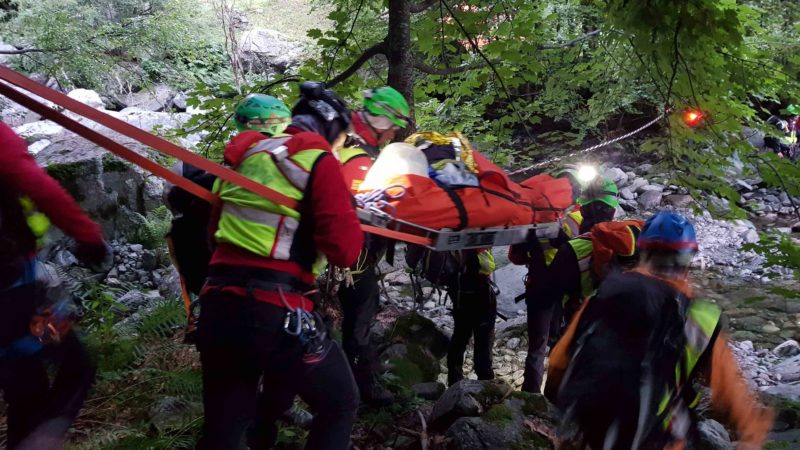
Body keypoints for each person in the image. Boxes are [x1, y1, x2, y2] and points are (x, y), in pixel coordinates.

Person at [194, 83, 364, 450]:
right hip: (274, 312)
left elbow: (214, 236)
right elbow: (344, 252)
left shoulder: (246, 156)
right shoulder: (316, 158)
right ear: (331, 128)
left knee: (224, 429)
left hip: (218, 305)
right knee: (339, 403)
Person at [545, 212, 773, 450]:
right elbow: (729, 395)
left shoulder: (602, 295)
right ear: (688, 260)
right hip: (658, 440)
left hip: (592, 436)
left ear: (642, 252)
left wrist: (559, 411)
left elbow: (559, 362)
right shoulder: (699, 317)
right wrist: (751, 437)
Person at [0, 121, 111, 449]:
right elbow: (39, 187)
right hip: (9, 288)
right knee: (75, 366)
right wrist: (90, 238)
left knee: (24, 384)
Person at [336, 86, 411, 406]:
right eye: (393, 125)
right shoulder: (357, 157)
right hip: (350, 256)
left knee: (359, 314)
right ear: (380, 120)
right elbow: (364, 210)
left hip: (347, 253)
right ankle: (359, 390)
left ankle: (355, 384)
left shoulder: (349, 144)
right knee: (360, 317)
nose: (394, 132)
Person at [518, 176, 629, 393]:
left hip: (550, 290)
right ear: (613, 209)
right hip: (590, 306)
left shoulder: (563, 226)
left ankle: (533, 397)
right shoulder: (622, 238)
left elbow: (516, 257)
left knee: (541, 346)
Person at [444, 248, 497, 386]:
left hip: (459, 297)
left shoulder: (452, 244)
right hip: (481, 298)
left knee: (459, 337)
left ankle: (454, 379)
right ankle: (486, 382)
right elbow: (488, 266)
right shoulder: (475, 243)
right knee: (483, 341)